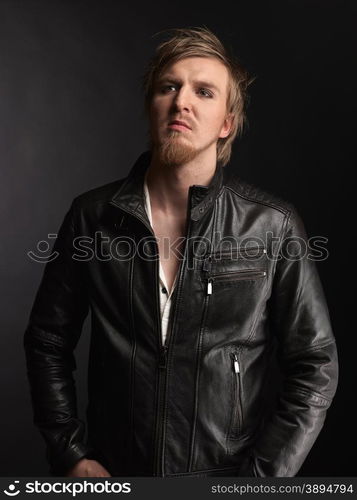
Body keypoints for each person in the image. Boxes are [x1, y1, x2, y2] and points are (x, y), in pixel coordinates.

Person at [24, 26, 338, 478]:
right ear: (151, 107)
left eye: (204, 92)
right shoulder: (91, 217)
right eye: (168, 87)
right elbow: (47, 342)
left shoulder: (272, 225)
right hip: (117, 477)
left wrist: (260, 481)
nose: (181, 101)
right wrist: (70, 453)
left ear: (227, 123)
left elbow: (315, 365)